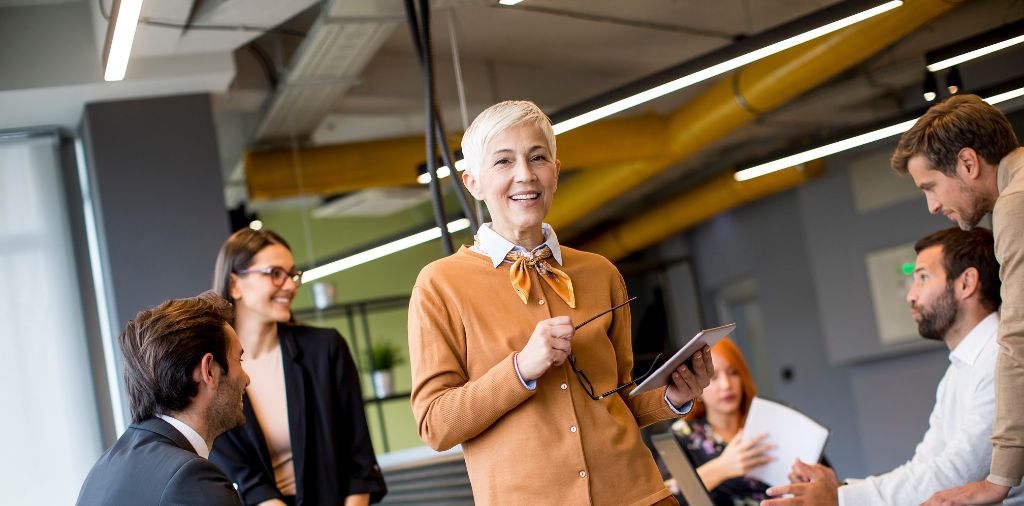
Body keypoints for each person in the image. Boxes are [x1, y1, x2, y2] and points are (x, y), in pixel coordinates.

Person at [408, 100, 714, 506]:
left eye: (538, 157)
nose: (525, 175)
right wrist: (519, 370)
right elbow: (435, 425)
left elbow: (618, 401)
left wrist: (673, 398)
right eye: (503, 162)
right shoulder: (440, 284)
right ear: (473, 183)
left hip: (640, 496)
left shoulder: (600, 272)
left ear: (555, 171)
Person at [763, 227, 1023, 505]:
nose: (911, 295)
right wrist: (840, 489)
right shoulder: (959, 370)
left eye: (923, 278)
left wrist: (840, 498)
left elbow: (958, 474)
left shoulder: (999, 360)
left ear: (966, 283)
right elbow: (925, 466)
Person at [890, 94, 1024, 506]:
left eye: (931, 186)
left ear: (968, 163)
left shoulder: (1015, 205)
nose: (932, 206)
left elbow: (1020, 339)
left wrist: (998, 480)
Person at [209, 228, 387, 506]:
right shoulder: (214, 369)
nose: (291, 286)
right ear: (235, 284)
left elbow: (359, 461)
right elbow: (244, 478)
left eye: (292, 274)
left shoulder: (326, 349)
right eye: (274, 273)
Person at [76, 291, 248, 506]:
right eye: (239, 359)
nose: (246, 378)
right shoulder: (192, 480)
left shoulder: (104, 467)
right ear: (209, 371)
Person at [662, 338, 773, 506]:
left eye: (733, 372)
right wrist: (721, 468)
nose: (726, 385)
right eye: (713, 377)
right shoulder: (680, 436)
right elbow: (664, 499)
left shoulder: (769, 425)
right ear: (697, 389)